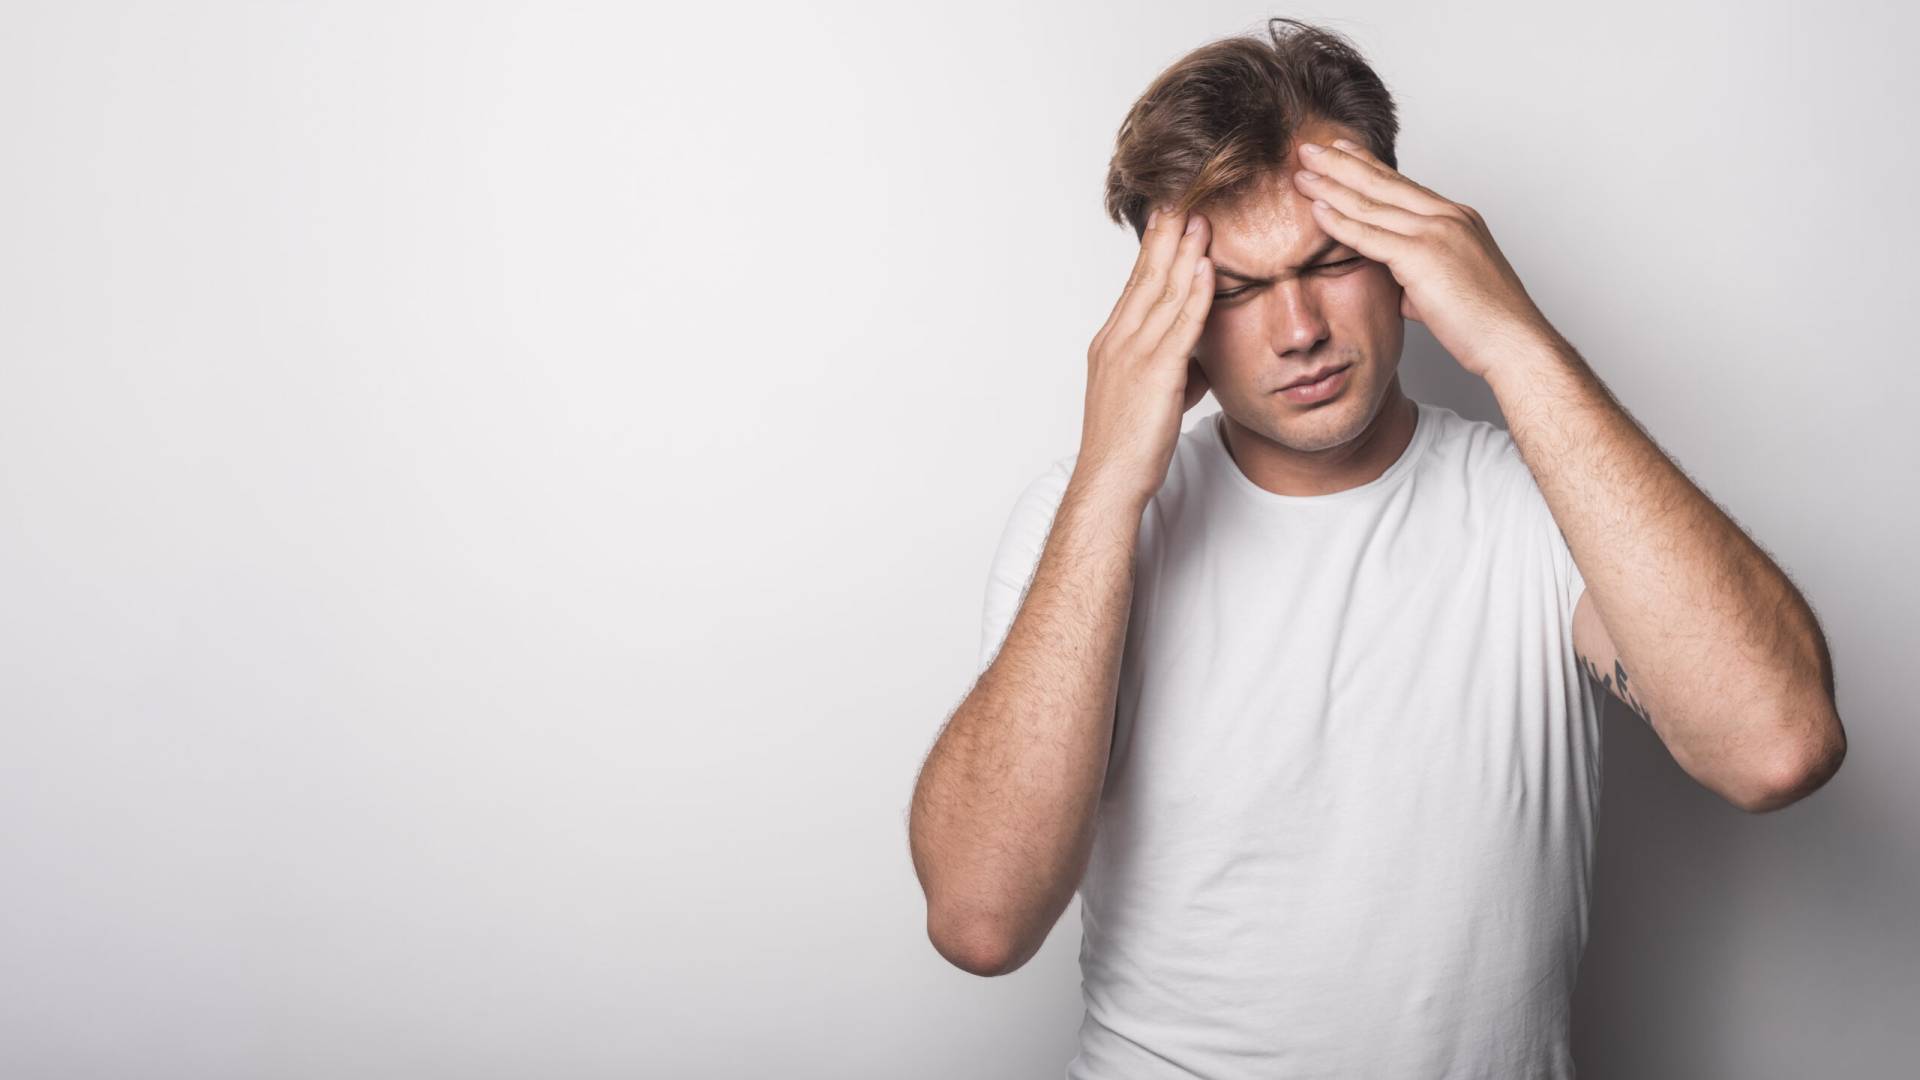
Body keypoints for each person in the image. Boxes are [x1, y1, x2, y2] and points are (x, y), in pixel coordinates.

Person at [906, 17, 1846, 1078]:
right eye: (1236, 290)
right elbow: (981, 920)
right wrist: (1111, 476)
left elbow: (1777, 748)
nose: (1298, 328)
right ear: (1168, 313)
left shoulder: (1536, 507)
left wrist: (1516, 342)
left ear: (1412, 250)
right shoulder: (1088, 523)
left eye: (1336, 260)